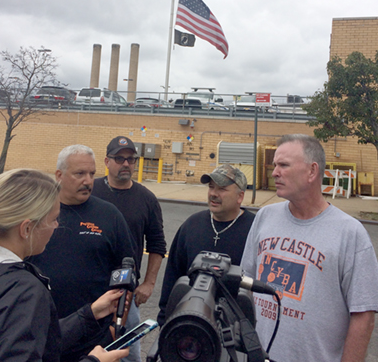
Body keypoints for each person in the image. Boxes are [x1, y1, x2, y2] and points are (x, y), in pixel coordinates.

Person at [241, 134, 378, 362]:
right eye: (275, 165)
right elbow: (245, 286)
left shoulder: (350, 234)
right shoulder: (265, 217)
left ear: (312, 172)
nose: (274, 172)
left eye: (283, 165)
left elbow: (363, 315)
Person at [0, 168, 129, 362]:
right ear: (27, 228)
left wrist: (88, 315)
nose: (57, 226)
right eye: (54, 219)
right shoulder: (23, 292)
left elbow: (34, 338)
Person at [29, 145, 137, 362]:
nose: (88, 181)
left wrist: (116, 327)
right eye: (80, 174)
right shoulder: (38, 214)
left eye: (92, 174)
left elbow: (126, 275)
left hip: (94, 340)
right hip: (43, 335)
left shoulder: (109, 215)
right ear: (59, 175)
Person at [92, 136, 167, 362]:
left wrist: (149, 283)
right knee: (87, 347)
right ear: (107, 161)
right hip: (90, 289)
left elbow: (157, 244)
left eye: (131, 159)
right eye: (119, 158)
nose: (126, 164)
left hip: (126, 295)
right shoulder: (91, 191)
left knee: (127, 354)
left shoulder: (146, 199)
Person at [157, 164, 255, 326]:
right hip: (191, 322)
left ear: (240, 196)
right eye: (211, 187)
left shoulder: (255, 229)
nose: (213, 194)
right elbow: (173, 276)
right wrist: (164, 320)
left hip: (236, 329)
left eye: (222, 189)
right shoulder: (191, 225)